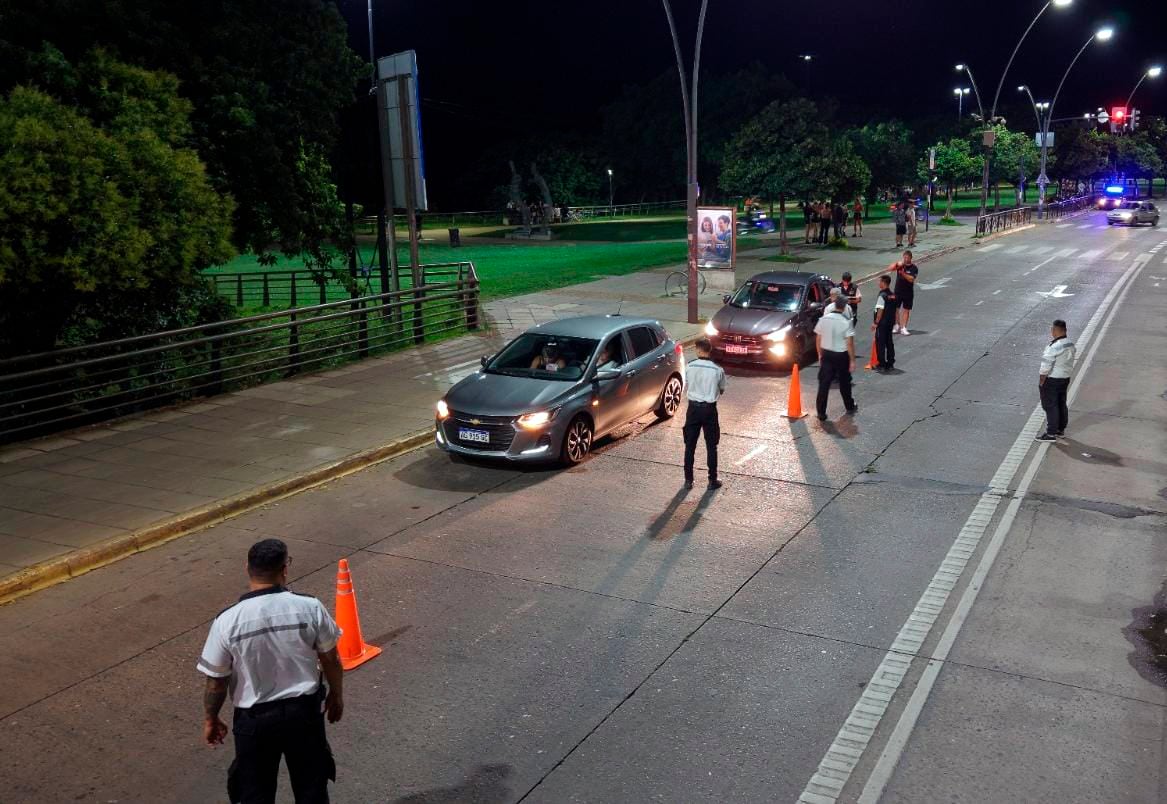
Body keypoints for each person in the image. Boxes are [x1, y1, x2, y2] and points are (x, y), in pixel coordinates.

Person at [199, 539, 344, 804]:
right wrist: (337, 694)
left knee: (255, 792)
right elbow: (331, 657)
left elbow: (216, 682)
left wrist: (211, 718)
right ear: (285, 569)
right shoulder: (309, 607)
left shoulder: (227, 621)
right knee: (311, 788)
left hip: (254, 722)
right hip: (304, 715)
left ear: (247, 568)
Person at [682, 338, 725, 490]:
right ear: (709, 350)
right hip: (709, 410)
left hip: (693, 409)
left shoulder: (689, 366)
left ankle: (688, 480)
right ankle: (712, 480)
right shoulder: (717, 370)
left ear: (699, 350)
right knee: (711, 446)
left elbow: (685, 382)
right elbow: (722, 389)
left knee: (690, 445)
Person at [815, 296, 858, 420]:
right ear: (844, 306)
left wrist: (820, 354)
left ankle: (821, 412)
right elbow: (849, 343)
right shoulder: (846, 321)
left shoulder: (823, 319)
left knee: (824, 383)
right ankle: (849, 406)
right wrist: (852, 360)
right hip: (841, 354)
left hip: (826, 354)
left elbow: (818, 338)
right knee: (845, 382)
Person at [1036, 319, 1076, 442]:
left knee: (1050, 406)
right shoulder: (1070, 344)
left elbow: (1045, 367)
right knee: (1061, 404)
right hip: (1065, 378)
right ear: (1065, 330)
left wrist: (1042, 381)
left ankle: (1051, 433)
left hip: (1052, 380)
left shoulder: (1054, 347)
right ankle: (1060, 430)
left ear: (1054, 330)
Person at [871, 274, 897, 371]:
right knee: (889, 342)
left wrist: (875, 323)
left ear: (883, 283)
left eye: (879, 281)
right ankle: (890, 364)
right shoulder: (893, 295)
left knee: (880, 343)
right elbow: (896, 310)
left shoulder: (882, 295)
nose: (878, 283)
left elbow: (880, 311)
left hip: (882, 324)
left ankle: (881, 364)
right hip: (890, 322)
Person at [892, 250, 918, 335]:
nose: (906, 259)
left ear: (911, 258)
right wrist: (897, 264)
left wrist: (903, 274)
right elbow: (890, 268)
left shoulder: (914, 268)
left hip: (908, 292)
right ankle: (897, 325)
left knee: (906, 310)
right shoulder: (900, 266)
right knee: (895, 308)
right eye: (905, 257)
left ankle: (904, 327)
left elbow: (911, 279)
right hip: (898, 290)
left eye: (908, 257)